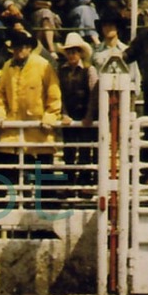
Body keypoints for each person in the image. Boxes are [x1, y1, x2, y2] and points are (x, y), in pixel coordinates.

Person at [0, 30, 62, 206]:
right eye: (15, 48)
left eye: (21, 47)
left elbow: (54, 94)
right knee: (12, 178)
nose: (18, 51)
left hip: (39, 132)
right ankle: (13, 219)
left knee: (43, 179)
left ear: (29, 48)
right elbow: (0, 95)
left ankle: (45, 219)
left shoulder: (43, 65)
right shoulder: (7, 66)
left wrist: (50, 116)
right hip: (13, 132)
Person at [57, 33, 99, 185]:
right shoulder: (61, 71)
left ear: (80, 53)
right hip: (70, 115)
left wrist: (89, 115)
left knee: (85, 151)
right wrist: (64, 114)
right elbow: (59, 94)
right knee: (68, 151)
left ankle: (84, 183)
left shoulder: (90, 70)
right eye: (69, 51)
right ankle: (68, 184)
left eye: (74, 51)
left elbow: (94, 95)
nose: (71, 55)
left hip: (86, 116)